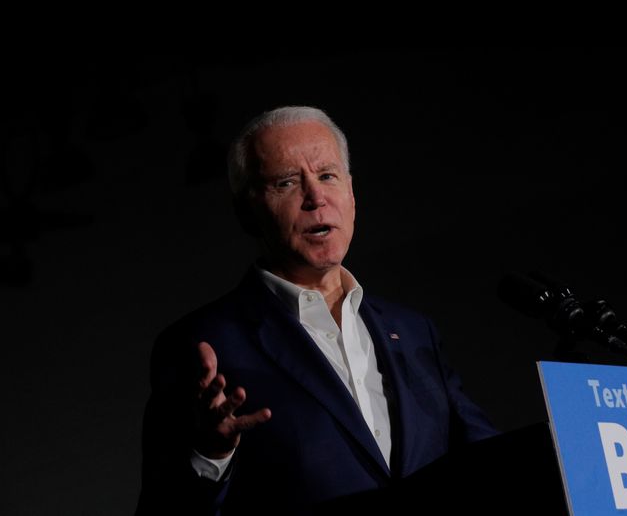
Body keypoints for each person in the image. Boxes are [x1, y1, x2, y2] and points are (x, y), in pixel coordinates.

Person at [135, 106, 499, 515]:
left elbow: (492, 464)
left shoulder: (413, 332)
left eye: (327, 176)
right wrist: (209, 456)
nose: (315, 198)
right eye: (287, 183)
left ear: (351, 193)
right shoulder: (203, 344)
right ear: (246, 213)